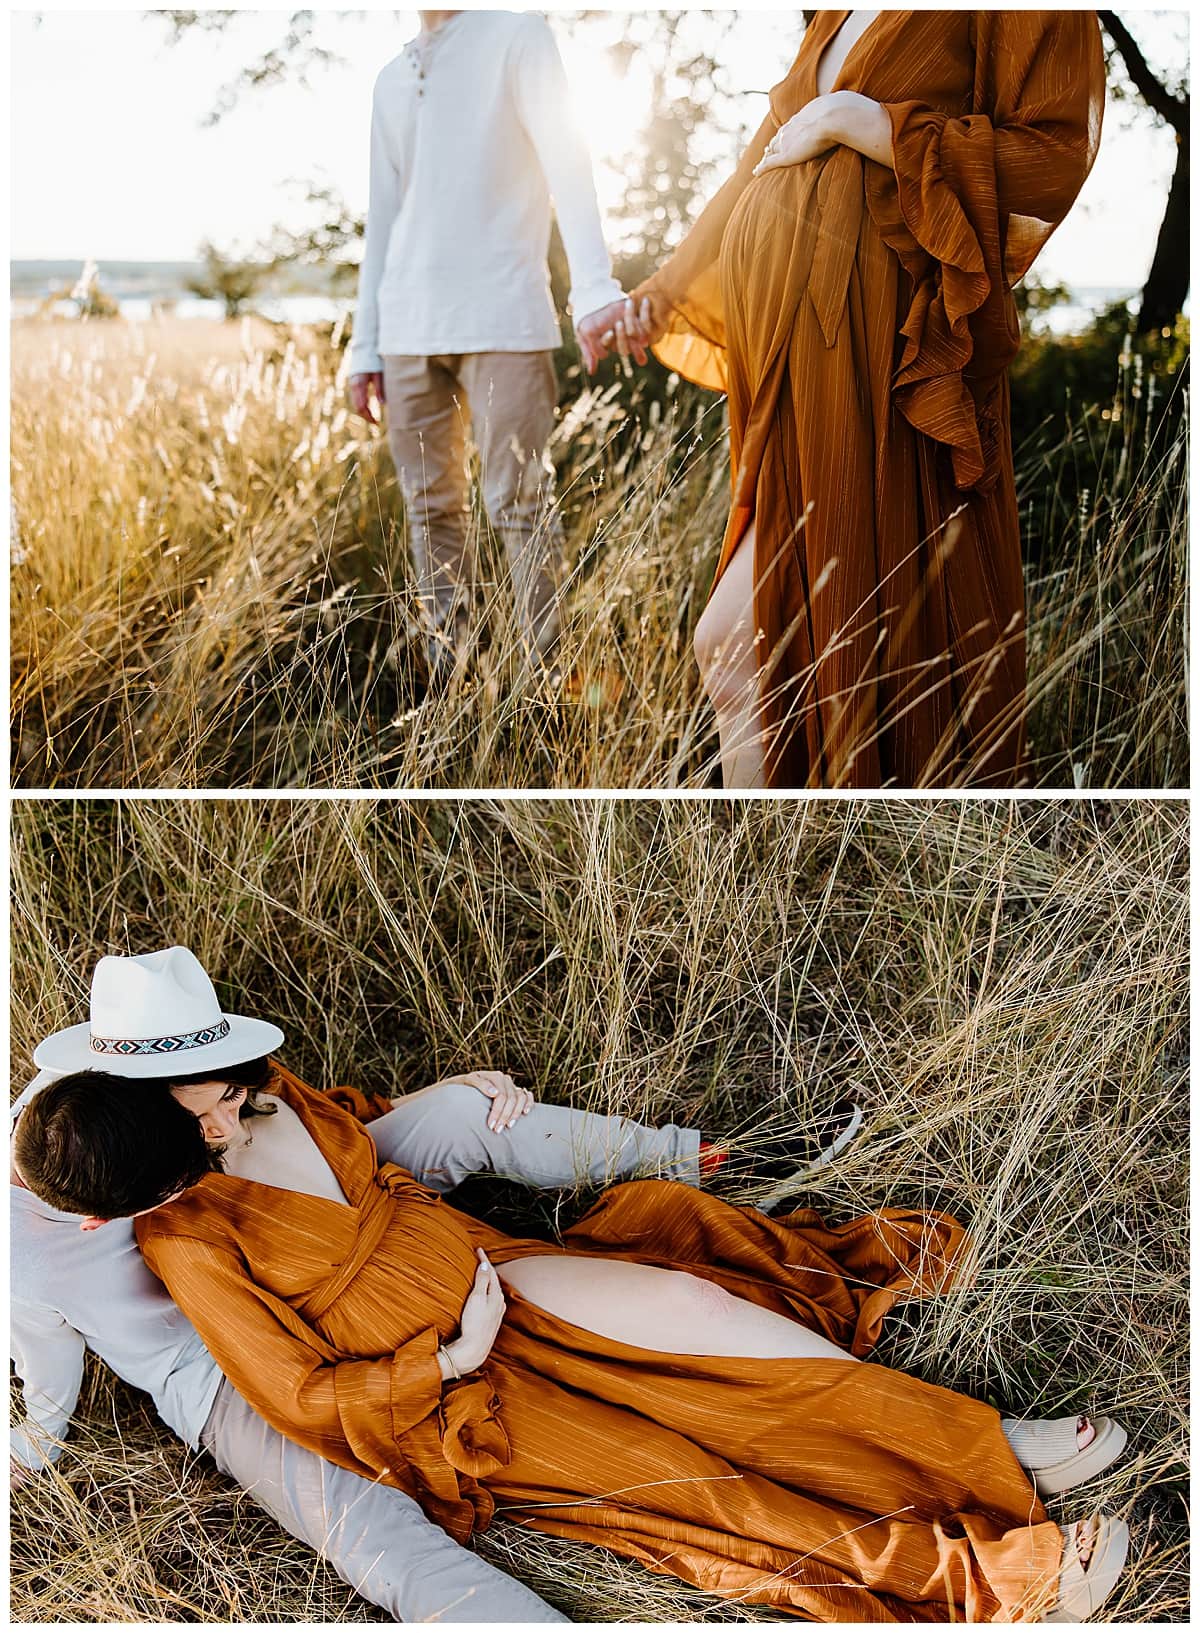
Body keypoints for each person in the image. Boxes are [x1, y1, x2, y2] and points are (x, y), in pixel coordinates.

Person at [17, 961, 1130, 1621]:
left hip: (487, 1273)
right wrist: (442, 1363)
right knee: (692, 1480)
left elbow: (366, 1137)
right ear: (135, 1098)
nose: (214, 1118)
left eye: (215, 1086)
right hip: (452, 1396)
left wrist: (449, 1101)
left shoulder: (268, 1093)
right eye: (186, 1105)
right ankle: (993, 1577)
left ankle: (980, 1441)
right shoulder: (184, 1228)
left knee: (706, 1316)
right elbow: (300, 1394)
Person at [580, 12, 1105, 790]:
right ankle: (780, 888)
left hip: (887, 357)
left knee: (798, 656)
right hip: (793, 369)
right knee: (762, 655)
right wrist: (661, 295)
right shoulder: (830, 14)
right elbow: (753, 173)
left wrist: (879, 126)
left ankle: (824, 882)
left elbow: (1052, 160)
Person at [348, 8, 628, 683]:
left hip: (503, 314)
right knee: (430, 512)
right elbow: (381, 219)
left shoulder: (517, 35)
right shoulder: (390, 77)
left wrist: (594, 285)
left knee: (520, 506)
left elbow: (569, 157)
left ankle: (541, 693)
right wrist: (365, 345)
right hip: (407, 328)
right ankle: (451, 680)